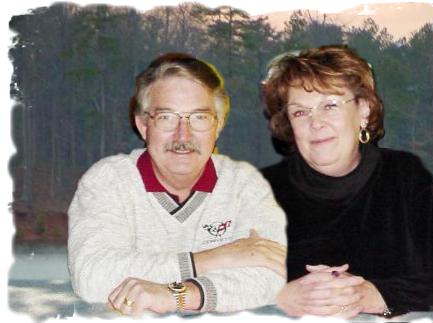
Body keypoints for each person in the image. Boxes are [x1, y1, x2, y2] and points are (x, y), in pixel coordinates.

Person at [260, 45, 433, 319]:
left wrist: (372, 295)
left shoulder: (405, 176)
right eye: (300, 112)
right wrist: (279, 295)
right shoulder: (261, 189)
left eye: (330, 105)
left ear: (363, 110)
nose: (316, 123)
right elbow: (215, 281)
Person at [67, 53, 287, 316]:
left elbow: (272, 274)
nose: (183, 135)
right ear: (143, 125)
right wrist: (213, 258)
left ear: (218, 125)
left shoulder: (244, 186)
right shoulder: (107, 182)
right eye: (167, 117)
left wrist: (177, 296)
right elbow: (92, 276)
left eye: (199, 117)